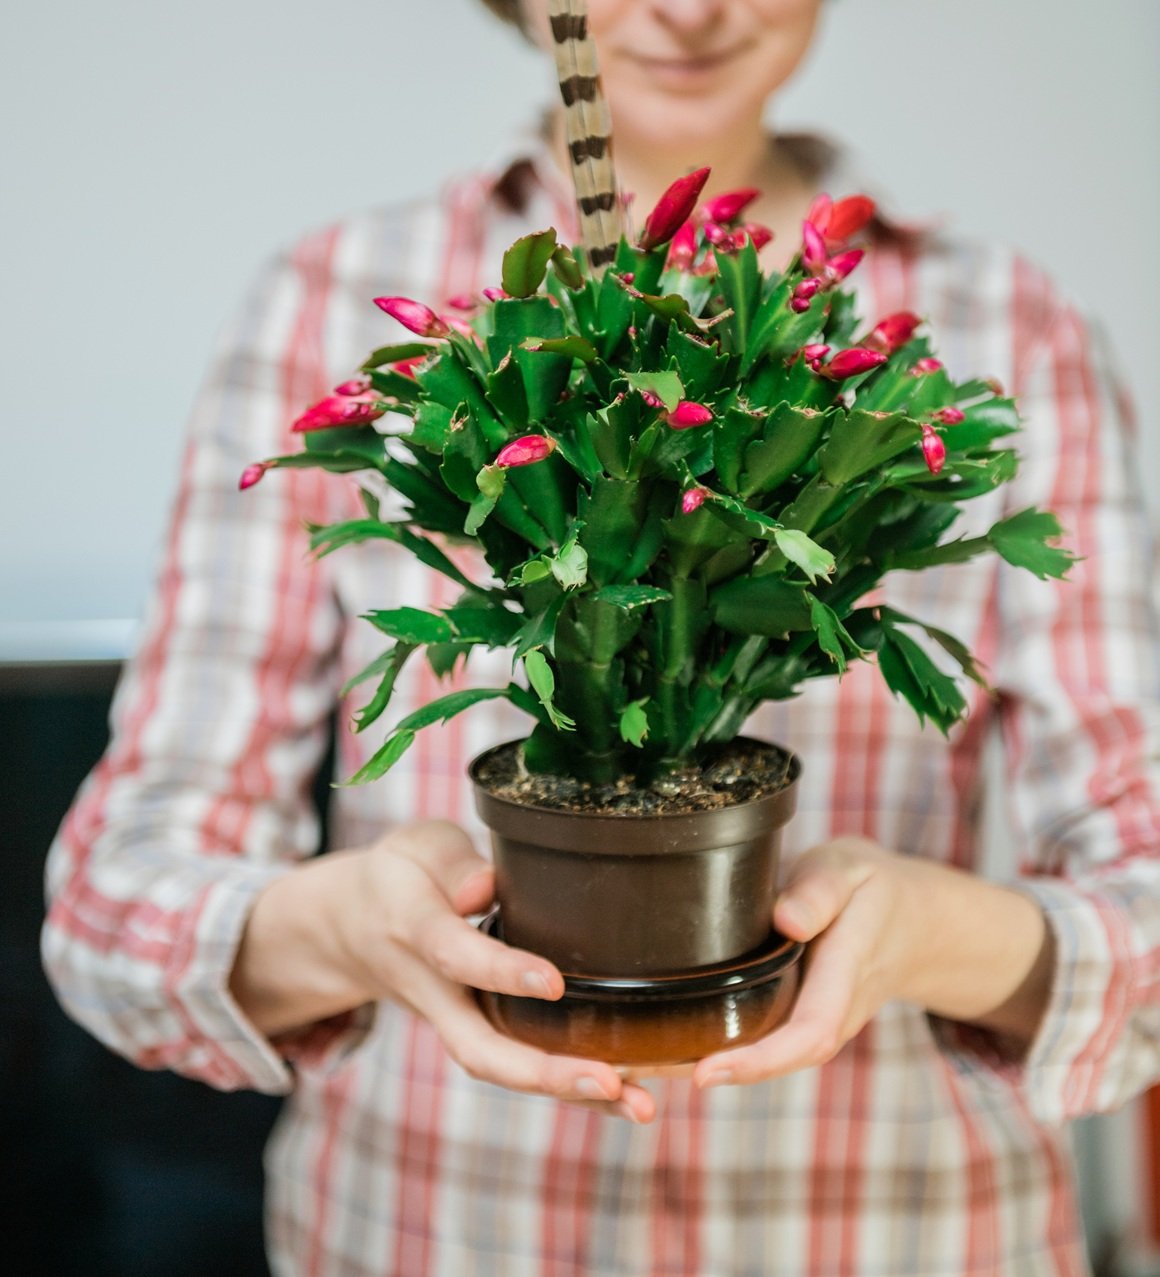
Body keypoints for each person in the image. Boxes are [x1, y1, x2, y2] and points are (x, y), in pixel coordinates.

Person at [41, 1, 1160, 1273]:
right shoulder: (325, 294)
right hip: (431, 1227)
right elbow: (111, 904)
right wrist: (353, 925)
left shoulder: (1013, 323)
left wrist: (929, 929)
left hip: (895, 1225)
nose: (688, 8)